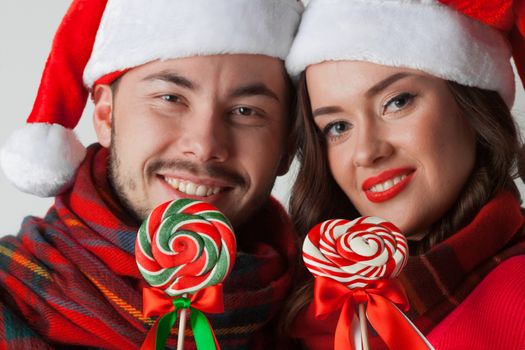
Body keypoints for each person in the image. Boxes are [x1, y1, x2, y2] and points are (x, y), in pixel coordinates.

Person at [0, 0, 303, 348]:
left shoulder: (322, 315)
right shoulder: (9, 301)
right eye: (171, 98)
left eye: (246, 111)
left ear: (287, 145)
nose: (204, 145)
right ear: (105, 115)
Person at [283, 0, 525, 349]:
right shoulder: (301, 311)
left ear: (469, 99)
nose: (367, 151)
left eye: (397, 102)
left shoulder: (514, 296)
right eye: (338, 126)